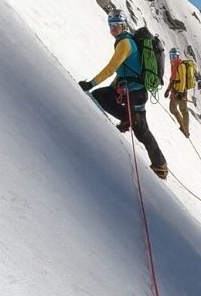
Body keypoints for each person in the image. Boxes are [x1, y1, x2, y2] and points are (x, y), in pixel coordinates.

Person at [79, 10, 168, 179]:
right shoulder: (126, 41)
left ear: (123, 25)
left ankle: (160, 165)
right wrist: (114, 87)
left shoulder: (125, 44)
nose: (112, 29)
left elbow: (112, 67)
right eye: (111, 25)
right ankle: (127, 118)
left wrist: (90, 84)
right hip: (130, 89)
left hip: (136, 94)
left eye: (116, 25)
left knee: (141, 131)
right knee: (101, 95)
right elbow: (122, 71)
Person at [164, 48, 193, 138]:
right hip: (175, 91)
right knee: (175, 109)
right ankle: (184, 128)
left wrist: (180, 93)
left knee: (183, 110)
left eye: (174, 56)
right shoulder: (174, 65)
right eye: (171, 56)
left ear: (177, 56)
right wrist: (168, 90)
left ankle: (185, 129)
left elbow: (183, 80)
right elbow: (172, 80)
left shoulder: (181, 66)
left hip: (181, 92)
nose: (172, 58)